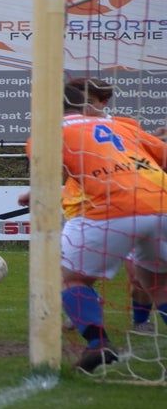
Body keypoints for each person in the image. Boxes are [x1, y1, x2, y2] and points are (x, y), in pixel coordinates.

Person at [18, 83, 167, 372]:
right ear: (82, 106)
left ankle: (98, 344)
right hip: (162, 202)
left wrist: (34, 194)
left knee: (68, 279)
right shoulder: (122, 125)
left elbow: (48, 178)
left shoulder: (47, 134)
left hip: (112, 208)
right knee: (159, 283)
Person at [67, 77, 167, 334]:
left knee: (139, 278)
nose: (82, 108)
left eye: (89, 102)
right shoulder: (70, 128)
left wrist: (156, 142)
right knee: (78, 273)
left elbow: (151, 160)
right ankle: (83, 309)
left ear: (104, 102)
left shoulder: (123, 126)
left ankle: (139, 322)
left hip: (129, 204)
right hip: (83, 208)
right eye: (78, 102)